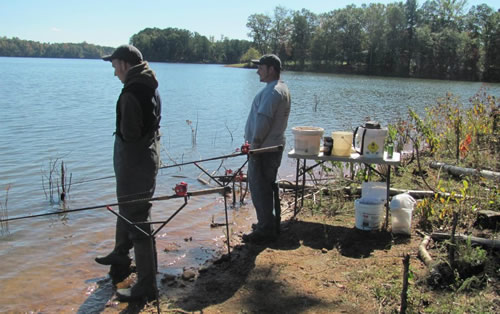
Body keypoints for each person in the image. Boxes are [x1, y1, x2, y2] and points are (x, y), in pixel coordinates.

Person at [97, 44, 161, 302]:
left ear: (123, 64)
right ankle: (120, 257)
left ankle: (147, 286)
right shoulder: (150, 85)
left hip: (135, 165)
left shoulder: (131, 93)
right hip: (146, 160)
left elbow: (131, 135)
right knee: (128, 210)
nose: (114, 73)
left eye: (114, 66)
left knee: (138, 222)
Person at [243, 54, 291, 244]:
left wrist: (254, 146)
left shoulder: (273, 91)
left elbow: (263, 120)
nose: (257, 71)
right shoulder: (280, 88)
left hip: (263, 150)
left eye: (261, 68)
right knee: (267, 186)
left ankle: (265, 230)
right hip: (272, 147)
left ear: (271, 69)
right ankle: (269, 223)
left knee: (259, 188)